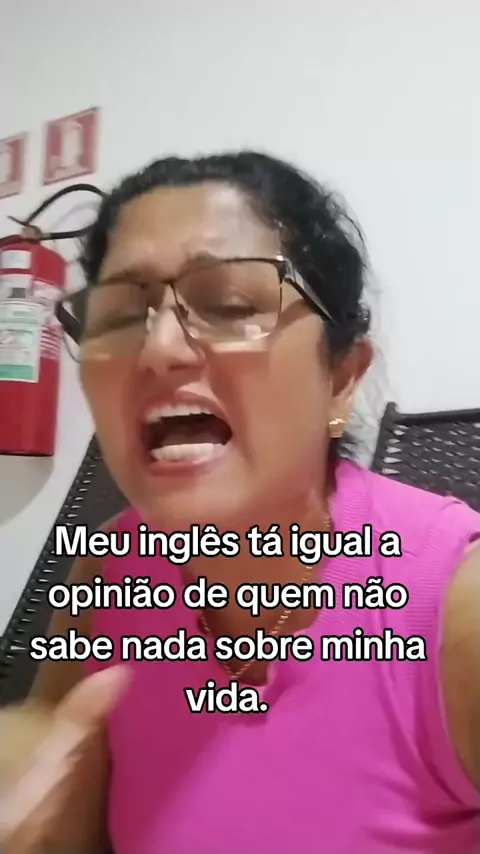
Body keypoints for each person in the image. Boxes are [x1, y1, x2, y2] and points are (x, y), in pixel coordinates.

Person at [1, 151, 479, 854]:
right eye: (120, 314)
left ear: (342, 380)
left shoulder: (457, 607)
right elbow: (49, 788)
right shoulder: (109, 570)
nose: (158, 348)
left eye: (228, 304)